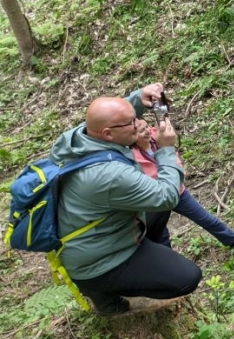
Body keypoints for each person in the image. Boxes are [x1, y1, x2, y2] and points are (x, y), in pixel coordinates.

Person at [50, 83, 202, 315]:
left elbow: (105, 121)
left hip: (94, 233)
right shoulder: (109, 174)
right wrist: (165, 150)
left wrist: (138, 100)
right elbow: (168, 196)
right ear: (108, 134)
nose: (139, 124)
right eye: (132, 122)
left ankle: (153, 261)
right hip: (98, 261)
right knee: (188, 277)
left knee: (156, 209)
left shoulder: (73, 140)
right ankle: (102, 291)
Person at [131, 119, 234, 249]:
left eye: (147, 127)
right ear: (132, 135)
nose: (147, 131)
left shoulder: (159, 137)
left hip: (178, 192)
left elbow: (173, 155)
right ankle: (169, 258)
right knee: (160, 233)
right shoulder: (131, 155)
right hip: (158, 197)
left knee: (205, 218)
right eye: (142, 131)